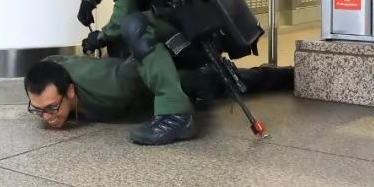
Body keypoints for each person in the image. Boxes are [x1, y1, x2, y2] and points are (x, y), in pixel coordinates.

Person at [62, 0, 200, 144]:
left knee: (134, 27)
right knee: (130, 31)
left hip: (181, 24)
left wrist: (100, 37)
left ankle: (175, 115)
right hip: (190, 18)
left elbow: (122, 16)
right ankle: (179, 88)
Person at [24, 56, 292, 133]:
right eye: (38, 110)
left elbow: (146, 60)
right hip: (138, 93)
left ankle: (289, 74)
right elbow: (53, 60)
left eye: (51, 108)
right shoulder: (47, 84)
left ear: (70, 91)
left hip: (172, 82)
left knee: (233, 82)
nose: (46, 117)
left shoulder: (113, 86)